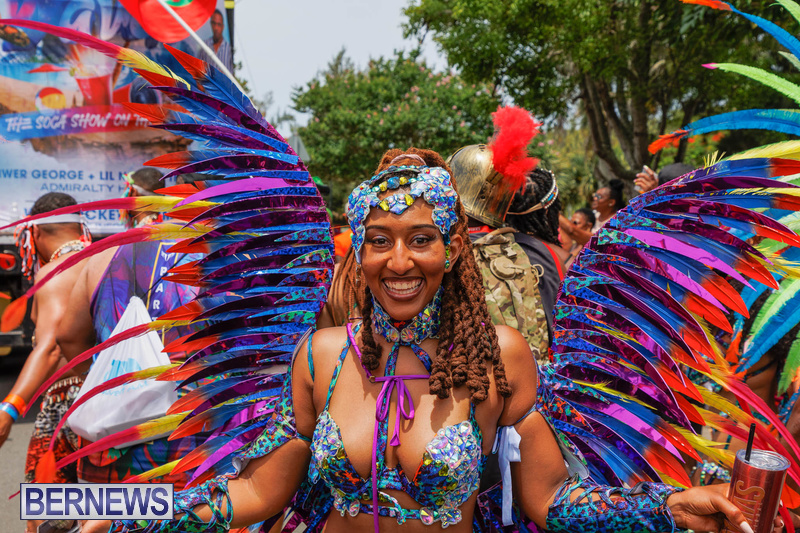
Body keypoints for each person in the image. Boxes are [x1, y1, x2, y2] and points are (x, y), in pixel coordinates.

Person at [80, 148, 757, 533]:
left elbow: (550, 499)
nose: (399, 261)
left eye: (421, 240)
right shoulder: (321, 355)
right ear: (361, 252)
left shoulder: (500, 355)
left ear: (452, 248)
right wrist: (124, 510)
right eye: (380, 241)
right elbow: (256, 493)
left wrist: (663, 506)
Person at [56, 169, 200, 486]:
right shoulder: (236, 262)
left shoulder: (105, 253)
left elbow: (68, 336)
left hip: (112, 447)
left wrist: (116, 381)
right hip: (195, 454)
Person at [0, 193, 90, 533]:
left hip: (67, 412)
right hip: (120, 405)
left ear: (34, 234)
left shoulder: (56, 272)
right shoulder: (111, 261)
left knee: (46, 520)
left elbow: (51, 347)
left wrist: (10, 408)